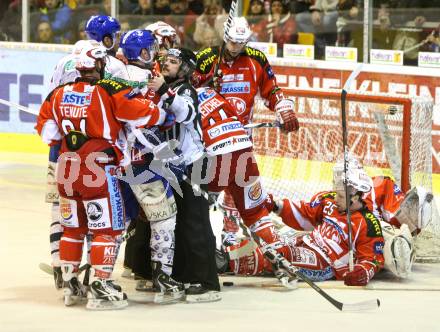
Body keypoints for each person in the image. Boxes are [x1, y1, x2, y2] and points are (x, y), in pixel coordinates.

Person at [35, 45, 168, 310]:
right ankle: (101, 286)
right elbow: (144, 114)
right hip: (98, 167)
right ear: (98, 67)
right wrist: (163, 113)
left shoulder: (57, 94)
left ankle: (71, 284)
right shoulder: (108, 90)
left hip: (66, 167)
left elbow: (47, 134)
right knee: (106, 229)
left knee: (73, 228)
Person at [193, 16, 299, 248]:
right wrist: (207, 81)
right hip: (207, 138)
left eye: (240, 43)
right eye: (231, 42)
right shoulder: (207, 57)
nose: (234, 48)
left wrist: (283, 107)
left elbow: (272, 89)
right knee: (204, 192)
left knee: (237, 185)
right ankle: (197, 240)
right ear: (225, 37)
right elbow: (186, 84)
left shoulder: (256, 59)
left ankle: (230, 234)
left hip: (240, 136)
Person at [228, 162, 386, 286]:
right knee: (263, 242)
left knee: (277, 254)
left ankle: (225, 263)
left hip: (323, 262)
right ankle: (225, 256)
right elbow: (305, 213)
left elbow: (373, 258)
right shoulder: (331, 203)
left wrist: (363, 272)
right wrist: (277, 206)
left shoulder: (368, 223)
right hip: (305, 242)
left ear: (356, 198)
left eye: (341, 196)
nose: (335, 199)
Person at [147, 48, 221, 302]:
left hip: (195, 164)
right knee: (177, 223)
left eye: (174, 61)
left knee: (196, 223)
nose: (166, 64)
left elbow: (186, 114)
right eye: (165, 60)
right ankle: (183, 274)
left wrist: (162, 92)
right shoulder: (167, 89)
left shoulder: (185, 90)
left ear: (186, 68)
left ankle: (208, 283)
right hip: (174, 166)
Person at [118, 29, 186, 303]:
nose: (156, 52)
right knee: (164, 220)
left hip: (117, 164)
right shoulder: (148, 80)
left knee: (114, 224)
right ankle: (162, 278)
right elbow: (159, 119)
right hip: (143, 163)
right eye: (152, 48)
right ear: (143, 52)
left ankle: (89, 275)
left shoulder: (115, 76)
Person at [85, 14, 129, 82]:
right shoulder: (116, 65)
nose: (120, 39)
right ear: (107, 41)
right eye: (118, 35)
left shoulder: (71, 60)